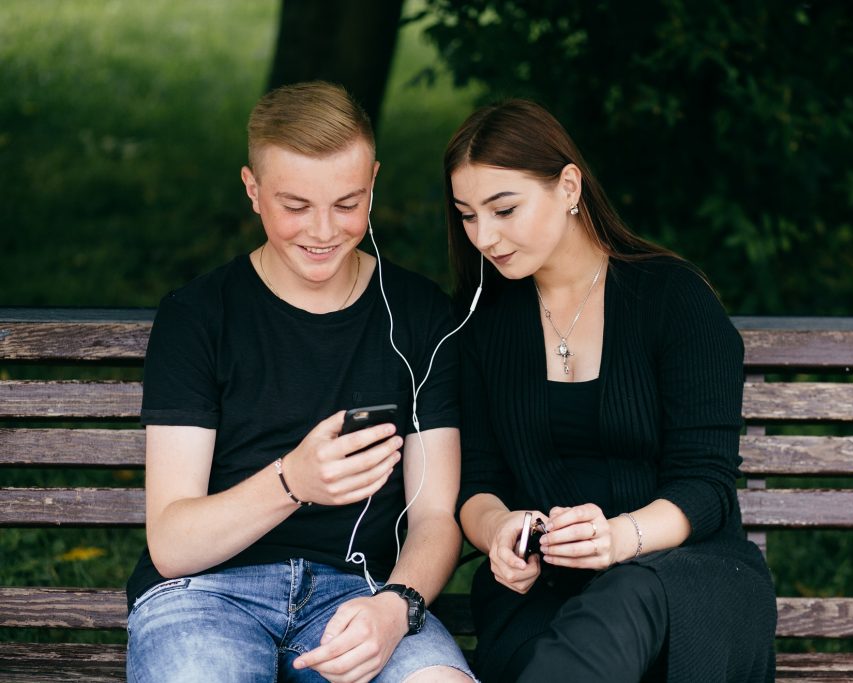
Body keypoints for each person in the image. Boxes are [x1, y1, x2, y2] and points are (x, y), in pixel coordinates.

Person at [126, 81, 475, 683]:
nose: (323, 231)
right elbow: (173, 544)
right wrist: (294, 481)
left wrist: (396, 607)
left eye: (347, 204)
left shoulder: (418, 315)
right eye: (295, 206)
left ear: (373, 181)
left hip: (361, 595)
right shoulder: (200, 316)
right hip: (205, 595)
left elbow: (435, 517)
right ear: (253, 190)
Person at [444, 99, 777, 682]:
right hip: (544, 593)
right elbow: (478, 482)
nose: (484, 237)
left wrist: (618, 538)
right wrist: (498, 530)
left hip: (687, 581)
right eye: (468, 215)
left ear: (568, 186)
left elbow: (705, 486)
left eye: (504, 209)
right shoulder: (480, 326)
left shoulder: (672, 300)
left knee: (627, 597)